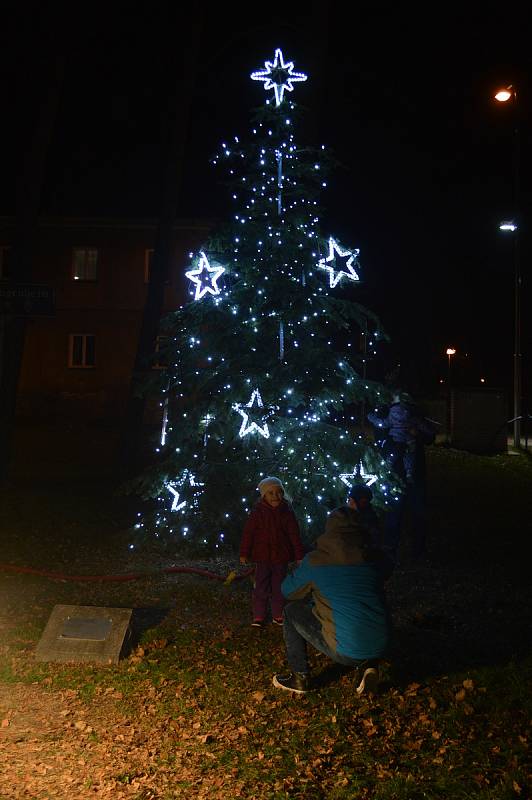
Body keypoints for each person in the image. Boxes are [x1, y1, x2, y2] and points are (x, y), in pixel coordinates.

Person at [272, 506, 392, 694]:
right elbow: (387, 570)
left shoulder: (316, 561)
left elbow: (288, 590)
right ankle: (368, 664)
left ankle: (300, 677)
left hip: (346, 648)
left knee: (291, 611)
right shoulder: (375, 558)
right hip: (382, 642)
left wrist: (301, 570)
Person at [368, 393, 436, 563]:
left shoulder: (413, 415)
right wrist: (394, 445)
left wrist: (416, 434)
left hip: (414, 473)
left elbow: (429, 436)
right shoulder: (386, 414)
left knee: (417, 512)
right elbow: (380, 436)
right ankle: (391, 549)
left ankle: (417, 550)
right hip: (395, 473)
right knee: (394, 512)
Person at [240, 476, 304, 627]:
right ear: (264, 495)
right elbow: (248, 533)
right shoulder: (258, 512)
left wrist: (299, 555)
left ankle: (277, 613)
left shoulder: (287, 512)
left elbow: (294, 534)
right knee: (261, 585)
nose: (275, 496)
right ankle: (259, 614)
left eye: (278, 492)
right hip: (262, 556)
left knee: (278, 585)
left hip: (280, 556)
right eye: (271, 493)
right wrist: (244, 553)